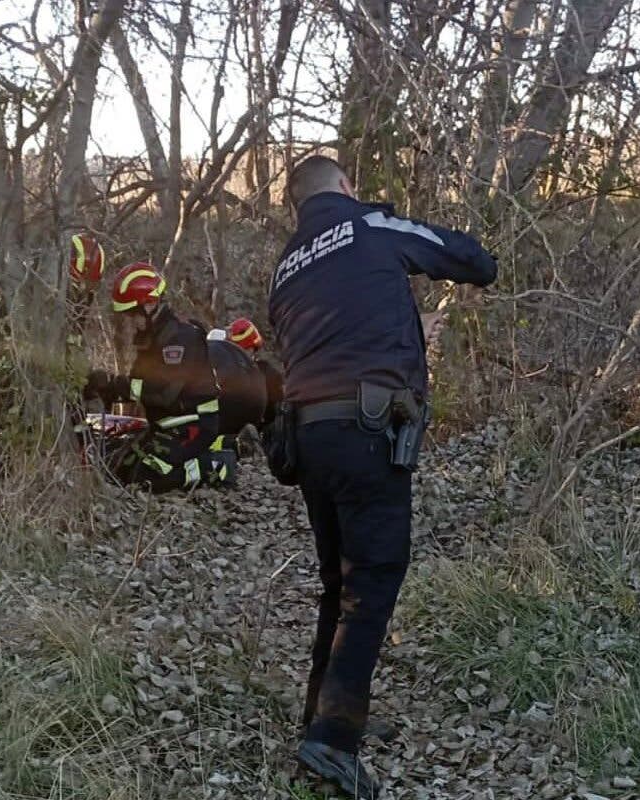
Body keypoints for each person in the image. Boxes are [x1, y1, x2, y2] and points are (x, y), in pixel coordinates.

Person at [268, 155, 497, 797]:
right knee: (371, 583)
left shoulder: (287, 266)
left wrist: (408, 328)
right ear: (345, 187)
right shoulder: (369, 223)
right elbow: (464, 257)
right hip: (367, 431)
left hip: (309, 434)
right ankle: (333, 741)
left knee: (337, 583)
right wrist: (485, 262)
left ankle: (327, 714)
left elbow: (331, 339)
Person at [85, 262, 234, 492]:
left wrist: (118, 385)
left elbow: (165, 394)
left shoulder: (181, 340)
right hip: (165, 426)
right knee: (121, 469)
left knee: (146, 477)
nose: (130, 321)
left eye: (132, 313)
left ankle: (215, 464)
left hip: (193, 425)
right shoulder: (151, 341)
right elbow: (137, 386)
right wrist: (104, 389)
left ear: (150, 304)